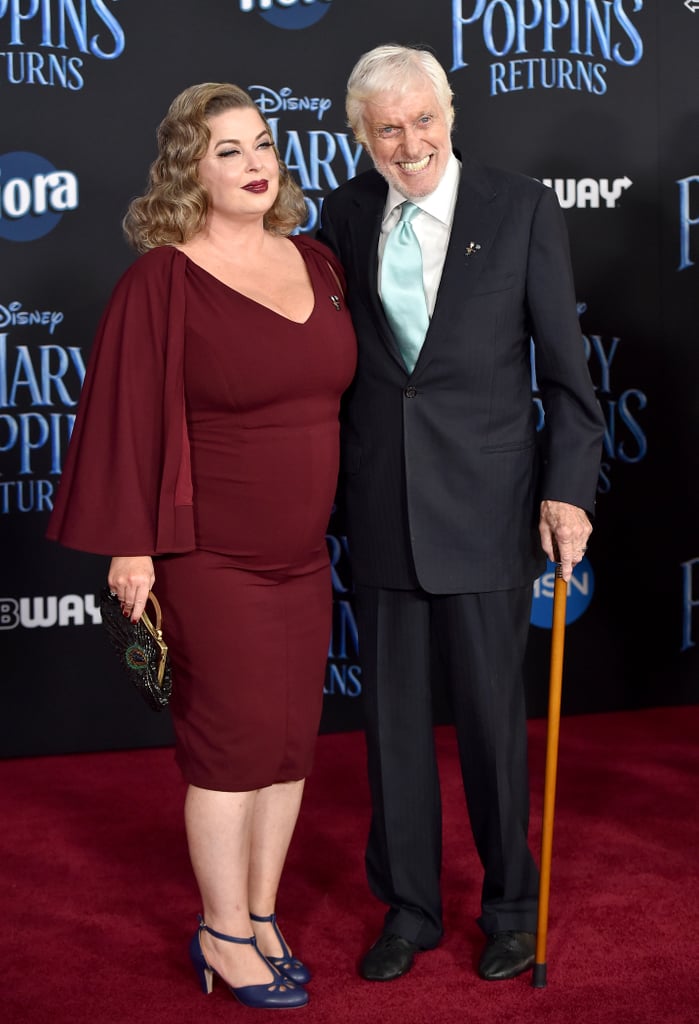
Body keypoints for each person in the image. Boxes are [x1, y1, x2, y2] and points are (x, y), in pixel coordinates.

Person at [47, 82, 356, 1009]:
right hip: (209, 556)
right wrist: (132, 547)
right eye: (227, 150)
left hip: (306, 553)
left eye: (261, 142)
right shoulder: (162, 278)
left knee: (289, 746)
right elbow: (125, 417)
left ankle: (260, 915)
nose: (255, 162)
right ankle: (221, 934)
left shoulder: (318, 261)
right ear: (190, 168)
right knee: (228, 751)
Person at [318, 45, 604, 983]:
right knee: (392, 730)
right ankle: (408, 908)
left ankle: (512, 909)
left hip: (488, 508)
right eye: (387, 128)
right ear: (363, 136)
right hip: (383, 506)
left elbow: (566, 375)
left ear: (451, 113)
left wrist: (566, 488)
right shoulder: (344, 214)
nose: (410, 144)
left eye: (423, 120)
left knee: (489, 723)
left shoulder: (518, 207)